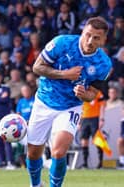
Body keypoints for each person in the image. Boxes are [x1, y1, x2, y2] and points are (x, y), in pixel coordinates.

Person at [25, 17, 112, 187]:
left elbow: (92, 95)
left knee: (58, 152)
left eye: (96, 37)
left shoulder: (104, 64)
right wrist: (65, 74)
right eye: (88, 35)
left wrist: (83, 94)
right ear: (82, 33)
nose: (90, 41)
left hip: (70, 107)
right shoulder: (62, 43)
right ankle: (35, 184)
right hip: (44, 100)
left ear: (103, 40)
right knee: (33, 153)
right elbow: (37, 67)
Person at [79, 91, 106, 169]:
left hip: (95, 118)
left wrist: (102, 118)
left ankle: (100, 163)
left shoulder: (97, 92)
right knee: (84, 141)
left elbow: (103, 105)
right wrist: (79, 121)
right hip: (84, 118)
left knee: (97, 140)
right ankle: (85, 164)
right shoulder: (82, 91)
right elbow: (80, 107)